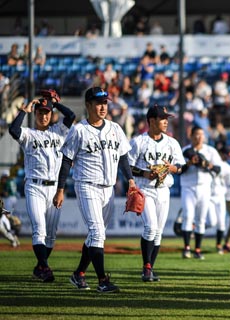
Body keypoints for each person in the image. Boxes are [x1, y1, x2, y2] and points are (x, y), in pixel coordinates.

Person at [53, 87, 136, 293]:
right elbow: (66, 161)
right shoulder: (79, 130)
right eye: (98, 103)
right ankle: (102, 280)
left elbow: (124, 157)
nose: (102, 107)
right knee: (97, 233)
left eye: (105, 103)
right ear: (88, 105)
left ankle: (78, 274)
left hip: (109, 189)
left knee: (95, 236)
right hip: (87, 185)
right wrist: (60, 189)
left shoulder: (115, 128)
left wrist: (131, 181)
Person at [8, 94, 75, 282]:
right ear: (35, 113)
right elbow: (14, 130)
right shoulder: (29, 134)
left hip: (54, 189)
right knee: (39, 230)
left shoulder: (58, 131)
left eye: (47, 112)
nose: (44, 116)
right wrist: (25, 110)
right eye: (40, 112)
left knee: (51, 235)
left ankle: (40, 267)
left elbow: (70, 116)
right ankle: (45, 268)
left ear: (51, 114)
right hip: (34, 187)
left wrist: (56, 103)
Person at [128, 105, 185, 282]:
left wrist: (173, 168)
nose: (166, 121)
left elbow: (181, 167)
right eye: (162, 118)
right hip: (145, 189)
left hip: (163, 190)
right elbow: (127, 167)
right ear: (151, 121)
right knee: (150, 227)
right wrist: (144, 173)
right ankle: (146, 267)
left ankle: (149, 269)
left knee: (158, 231)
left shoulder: (171, 142)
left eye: (166, 118)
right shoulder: (138, 142)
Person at [180, 126, 223, 260]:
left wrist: (208, 165)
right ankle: (187, 248)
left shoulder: (210, 151)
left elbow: (218, 168)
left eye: (201, 135)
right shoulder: (184, 150)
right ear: (191, 136)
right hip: (188, 187)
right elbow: (179, 169)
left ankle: (197, 249)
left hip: (205, 187)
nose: (199, 137)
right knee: (187, 216)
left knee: (201, 220)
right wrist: (189, 163)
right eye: (196, 135)